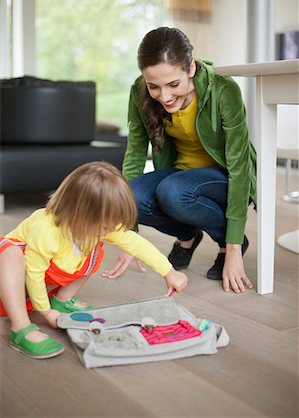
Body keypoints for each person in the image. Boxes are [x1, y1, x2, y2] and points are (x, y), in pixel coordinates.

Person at [105, 26, 257, 294]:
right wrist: (130, 235)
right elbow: (135, 155)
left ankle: (227, 241)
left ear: (190, 69)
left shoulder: (224, 90)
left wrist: (232, 247)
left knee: (173, 191)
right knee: (131, 197)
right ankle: (187, 236)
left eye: (173, 84)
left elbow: (239, 165)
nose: (164, 96)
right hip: (180, 175)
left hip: (222, 179)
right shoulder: (138, 92)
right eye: (154, 86)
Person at [0, 161, 187, 359]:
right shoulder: (45, 228)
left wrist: (168, 271)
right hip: (8, 284)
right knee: (10, 253)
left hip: (28, 292)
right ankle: (21, 328)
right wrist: (45, 313)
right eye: (106, 226)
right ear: (80, 214)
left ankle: (61, 300)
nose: (111, 230)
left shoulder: (95, 225)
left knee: (94, 250)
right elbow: (34, 274)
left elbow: (134, 242)